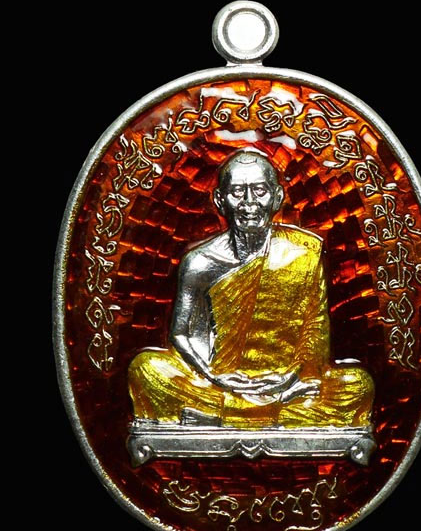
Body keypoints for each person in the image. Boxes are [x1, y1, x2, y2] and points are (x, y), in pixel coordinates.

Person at [128, 149, 374, 428]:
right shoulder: (199, 262)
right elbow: (181, 334)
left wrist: (291, 377)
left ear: (277, 197)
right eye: (237, 192)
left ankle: (226, 418)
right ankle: (261, 415)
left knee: (358, 385)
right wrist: (214, 376)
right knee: (145, 369)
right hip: (220, 383)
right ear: (220, 200)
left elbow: (315, 330)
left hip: (287, 385)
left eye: (259, 191)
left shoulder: (304, 252)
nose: (249, 203)